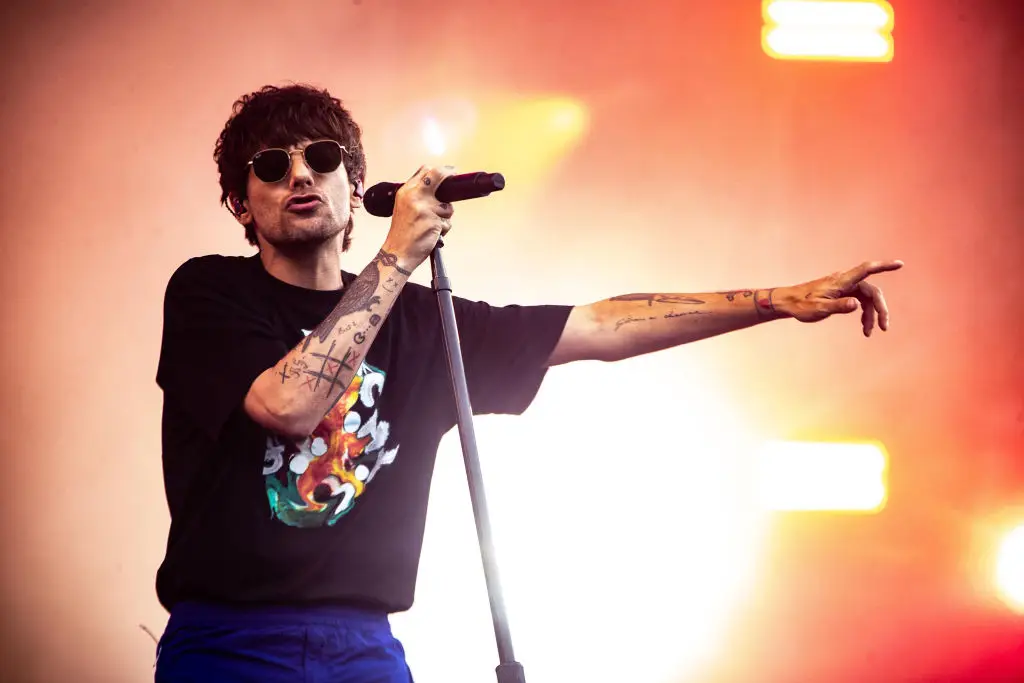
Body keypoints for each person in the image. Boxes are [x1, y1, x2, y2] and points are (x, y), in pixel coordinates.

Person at [153, 83, 902, 682]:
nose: (299, 175)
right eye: (271, 166)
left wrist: (778, 299)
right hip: (229, 643)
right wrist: (395, 259)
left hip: (365, 648)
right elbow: (289, 404)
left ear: (356, 183)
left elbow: (602, 326)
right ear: (240, 202)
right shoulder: (208, 294)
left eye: (319, 156)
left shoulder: (425, 321)